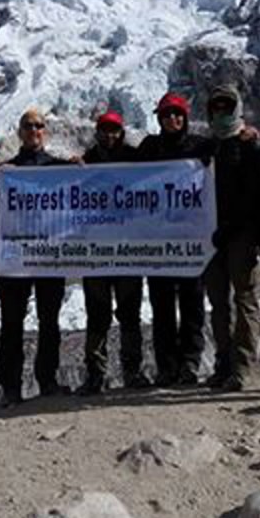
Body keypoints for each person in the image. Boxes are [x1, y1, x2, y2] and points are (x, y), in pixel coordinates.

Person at [0, 109, 73, 405]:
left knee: (49, 321)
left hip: (51, 256)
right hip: (16, 257)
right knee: (12, 322)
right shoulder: (7, 171)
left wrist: (80, 169)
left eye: (39, 126)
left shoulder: (58, 167)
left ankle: (47, 380)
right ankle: (10, 387)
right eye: (28, 126)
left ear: (46, 132)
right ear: (20, 132)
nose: (34, 130)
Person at [137, 92, 210, 387]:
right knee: (162, 306)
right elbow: (117, 173)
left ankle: (190, 363)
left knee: (192, 305)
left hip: (191, 241)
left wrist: (246, 134)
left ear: (186, 117)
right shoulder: (149, 147)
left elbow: (230, 153)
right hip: (158, 242)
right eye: (166, 115)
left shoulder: (203, 147)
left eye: (177, 114)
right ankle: (166, 366)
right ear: (159, 118)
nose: (172, 119)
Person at [75, 111, 150, 395]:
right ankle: (96, 374)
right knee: (97, 314)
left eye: (114, 130)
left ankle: (132, 371)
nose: (110, 135)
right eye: (105, 130)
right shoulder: (88, 160)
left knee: (130, 313)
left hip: (128, 249)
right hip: (95, 251)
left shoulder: (135, 158)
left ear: (121, 132)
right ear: (98, 132)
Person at [202, 84, 260, 391]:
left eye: (227, 106)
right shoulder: (207, 147)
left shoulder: (249, 144)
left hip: (242, 234)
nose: (221, 111)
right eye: (216, 106)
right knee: (218, 303)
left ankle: (242, 367)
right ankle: (223, 362)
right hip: (212, 237)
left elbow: (257, 192)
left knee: (245, 299)